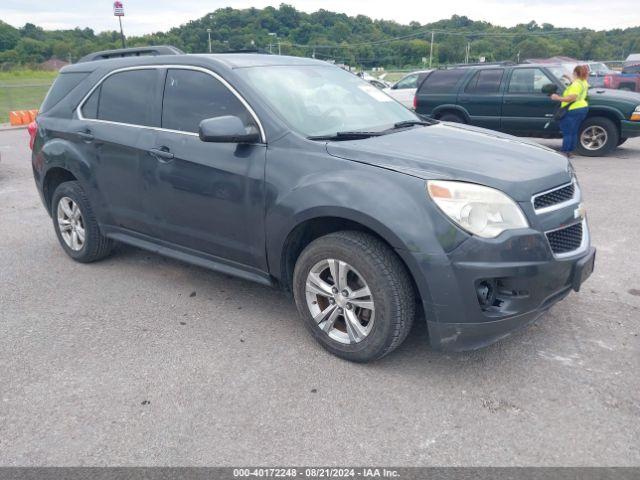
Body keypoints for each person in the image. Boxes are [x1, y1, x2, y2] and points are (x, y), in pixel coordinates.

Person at [551, 65, 590, 158]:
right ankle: (570, 151)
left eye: (573, 73)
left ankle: (565, 151)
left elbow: (571, 98)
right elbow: (576, 84)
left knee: (568, 132)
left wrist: (557, 98)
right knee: (574, 131)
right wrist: (568, 77)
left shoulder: (576, 84)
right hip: (582, 108)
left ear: (576, 73)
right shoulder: (583, 82)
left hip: (573, 110)